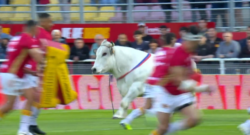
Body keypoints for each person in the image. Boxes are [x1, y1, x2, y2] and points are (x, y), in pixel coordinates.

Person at [150, 25, 213, 135]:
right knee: (162, 128)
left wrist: (193, 77)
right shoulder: (178, 54)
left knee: (194, 119)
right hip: (166, 92)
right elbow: (178, 81)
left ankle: (170, 130)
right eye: (197, 42)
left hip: (180, 93)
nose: (198, 45)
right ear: (191, 42)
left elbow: (186, 75)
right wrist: (202, 88)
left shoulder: (189, 52)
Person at [120, 33, 177, 130]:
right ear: (172, 40)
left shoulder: (158, 52)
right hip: (159, 84)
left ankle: (127, 120)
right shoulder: (172, 53)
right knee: (165, 109)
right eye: (174, 39)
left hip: (150, 81)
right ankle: (164, 129)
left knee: (147, 106)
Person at [0, 20, 45, 135]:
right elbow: (38, 57)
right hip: (13, 76)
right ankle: (23, 129)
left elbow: (19, 58)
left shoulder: (15, 39)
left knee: (32, 97)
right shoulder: (27, 38)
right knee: (10, 105)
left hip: (13, 73)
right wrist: (45, 61)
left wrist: (32, 72)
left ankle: (23, 130)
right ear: (34, 28)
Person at [26, 13, 53, 135]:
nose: (51, 24)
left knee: (38, 98)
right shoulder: (40, 33)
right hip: (33, 69)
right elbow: (36, 51)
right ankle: (28, 126)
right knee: (34, 98)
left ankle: (32, 124)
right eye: (50, 22)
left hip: (38, 69)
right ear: (43, 22)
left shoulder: (45, 34)